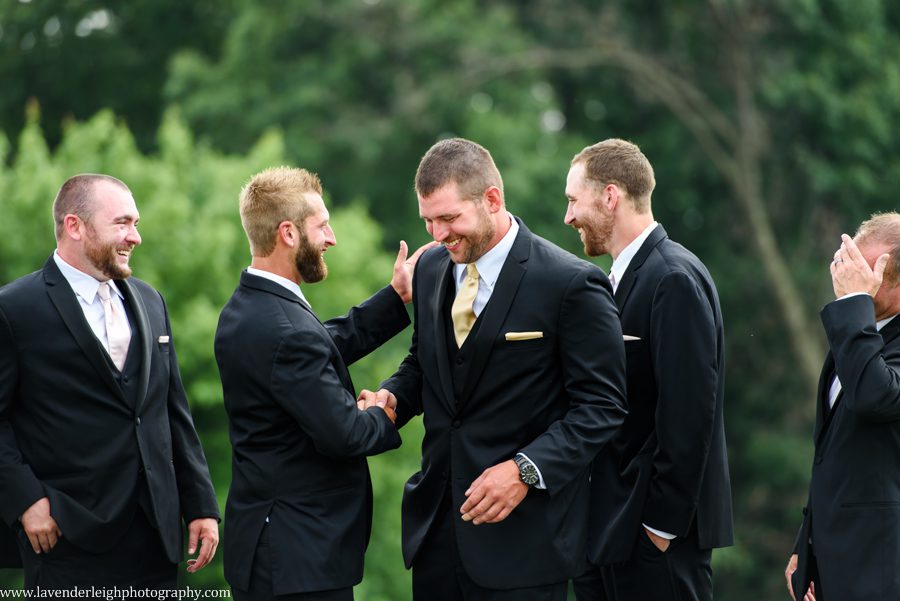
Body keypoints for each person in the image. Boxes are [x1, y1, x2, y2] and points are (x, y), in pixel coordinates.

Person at [360, 138, 628, 601]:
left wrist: (526, 470)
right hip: (436, 539)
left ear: (492, 199)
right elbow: (424, 365)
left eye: (449, 218)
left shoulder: (570, 283)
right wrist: (391, 399)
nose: (439, 234)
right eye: (428, 220)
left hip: (526, 548)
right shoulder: (428, 270)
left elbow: (602, 407)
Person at [215, 166, 432, 601]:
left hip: (270, 547)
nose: (331, 238)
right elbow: (346, 435)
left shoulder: (249, 306)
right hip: (297, 561)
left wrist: (395, 297)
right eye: (322, 226)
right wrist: (382, 411)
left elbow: (318, 347)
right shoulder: (284, 327)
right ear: (288, 234)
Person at [0, 174, 220, 588]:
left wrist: (201, 504)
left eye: (136, 223)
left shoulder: (150, 300)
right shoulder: (13, 309)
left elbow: (172, 410)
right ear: (75, 226)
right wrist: (25, 501)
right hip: (66, 536)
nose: (134, 236)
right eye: (122, 223)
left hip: (156, 534)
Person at [564, 139, 733, 601]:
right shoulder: (620, 278)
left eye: (573, 201)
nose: (568, 217)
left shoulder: (673, 277)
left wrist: (659, 528)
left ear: (610, 196)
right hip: (613, 531)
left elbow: (689, 412)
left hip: (655, 538)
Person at [785, 214, 900, 601]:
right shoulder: (861, 335)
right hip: (838, 558)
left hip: (883, 566)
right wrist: (808, 543)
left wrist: (854, 304)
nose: (851, 278)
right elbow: (835, 454)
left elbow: (874, 397)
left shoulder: (857, 328)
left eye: (866, 270)